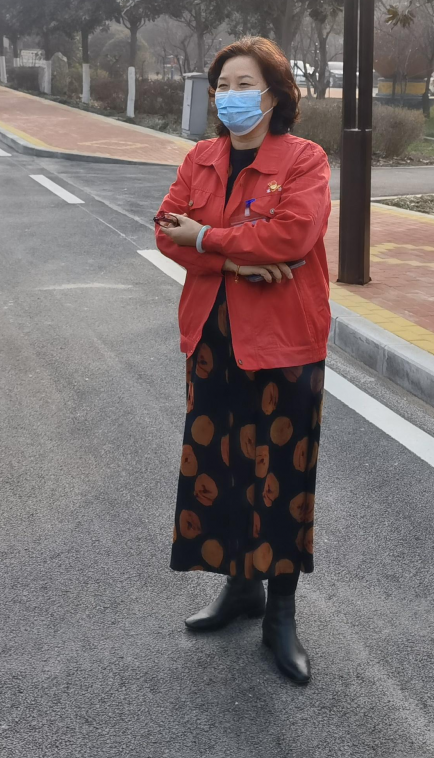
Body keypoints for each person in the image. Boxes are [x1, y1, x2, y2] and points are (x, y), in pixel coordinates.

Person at [154, 37, 331, 685]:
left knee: (280, 473)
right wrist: (232, 260)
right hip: (214, 336)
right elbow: (164, 229)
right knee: (222, 465)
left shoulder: (304, 159)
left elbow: (294, 234)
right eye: (222, 85)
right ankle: (239, 589)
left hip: (284, 343)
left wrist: (204, 237)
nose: (230, 95)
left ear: (274, 95)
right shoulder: (201, 158)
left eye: (244, 84)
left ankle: (280, 613)